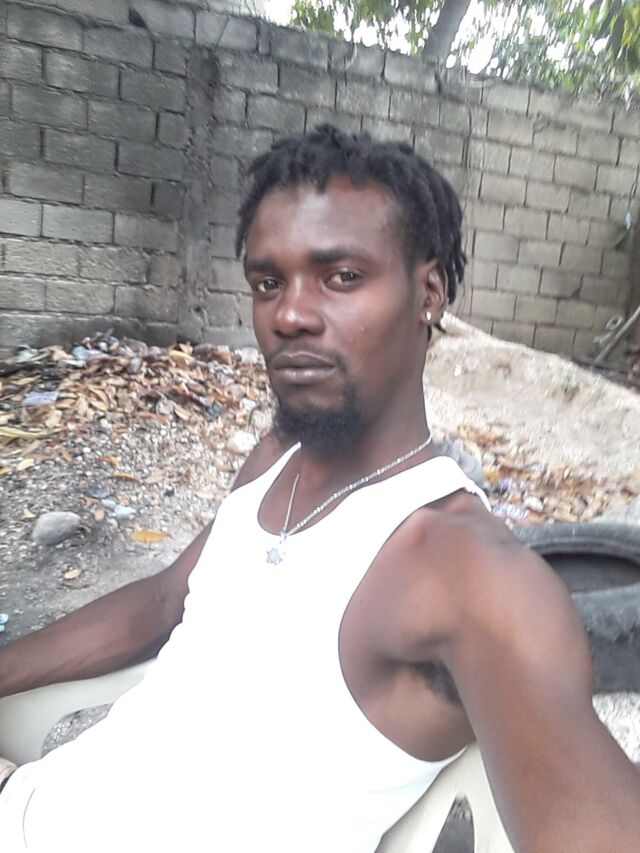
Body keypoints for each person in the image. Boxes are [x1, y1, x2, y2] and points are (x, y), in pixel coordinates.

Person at [1, 124, 639, 852]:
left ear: (429, 293)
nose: (290, 315)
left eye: (341, 277)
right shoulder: (273, 463)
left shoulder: (466, 572)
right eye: (268, 283)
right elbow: (165, 598)